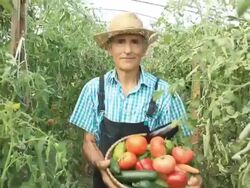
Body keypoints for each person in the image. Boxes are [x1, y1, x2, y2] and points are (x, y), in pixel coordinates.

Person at [69, 12, 202, 188]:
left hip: (150, 182)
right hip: (105, 181)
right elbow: (89, 142)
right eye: (120, 41)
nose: (128, 50)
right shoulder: (94, 89)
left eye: (135, 42)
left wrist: (193, 175)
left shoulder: (164, 93)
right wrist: (102, 166)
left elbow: (186, 146)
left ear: (144, 49)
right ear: (109, 48)